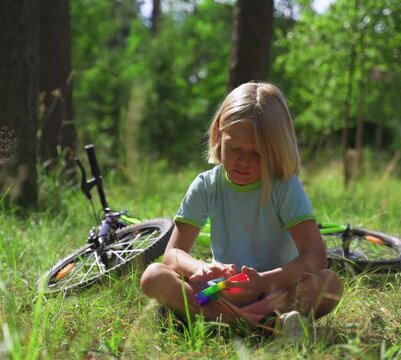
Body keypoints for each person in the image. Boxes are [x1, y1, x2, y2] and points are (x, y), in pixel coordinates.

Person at [140, 82, 343, 338]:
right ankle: (260, 325)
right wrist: (199, 269)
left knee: (329, 284)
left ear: (277, 149)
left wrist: (263, 282)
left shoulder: (284, 187)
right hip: (220, 292)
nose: (243, 161)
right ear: (218, 134)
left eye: (257, 154)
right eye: (234, 148)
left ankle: (216, 321)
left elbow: (315, 257)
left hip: (274, 294)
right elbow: (174, 254)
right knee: (153, 275)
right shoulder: (206, 185)